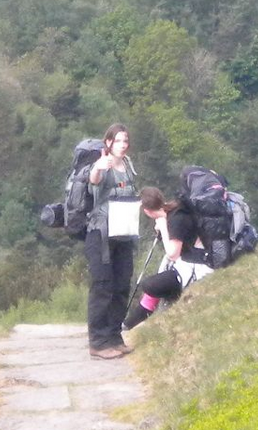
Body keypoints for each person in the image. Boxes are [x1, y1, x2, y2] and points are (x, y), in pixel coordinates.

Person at [122, 185, 211, 331]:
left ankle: (130, 323)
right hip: (188, 262)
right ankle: (128, 324)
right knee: (154, 284)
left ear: (146, 211)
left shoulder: (176, 218)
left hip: (196, 266)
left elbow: (173, 253)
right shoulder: (174, 210)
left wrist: (163, 228)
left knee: (149, 285)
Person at [84, 122, 139, 359]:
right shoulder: (102, 165)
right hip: (101, 233)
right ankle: (98, 342)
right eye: (118, 141)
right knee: (102, 286)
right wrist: (98, 167)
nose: (123, 145)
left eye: (125, 141)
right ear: (108, 142)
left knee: (121, 285)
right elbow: (94, 181)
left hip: (124, 233)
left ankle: (114, 337)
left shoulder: (128, 165)